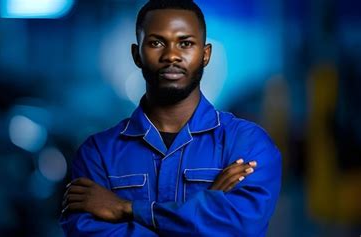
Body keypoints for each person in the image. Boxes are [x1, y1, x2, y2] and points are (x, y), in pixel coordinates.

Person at [60, 0, 281, 236]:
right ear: (137, 55)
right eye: (156, 43)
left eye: (185, 43)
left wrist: (128, 209)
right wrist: (204, 212)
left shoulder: (247, 145)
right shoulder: (98, 154)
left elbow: (240, 226)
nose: (171, 55)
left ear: (205, 55)